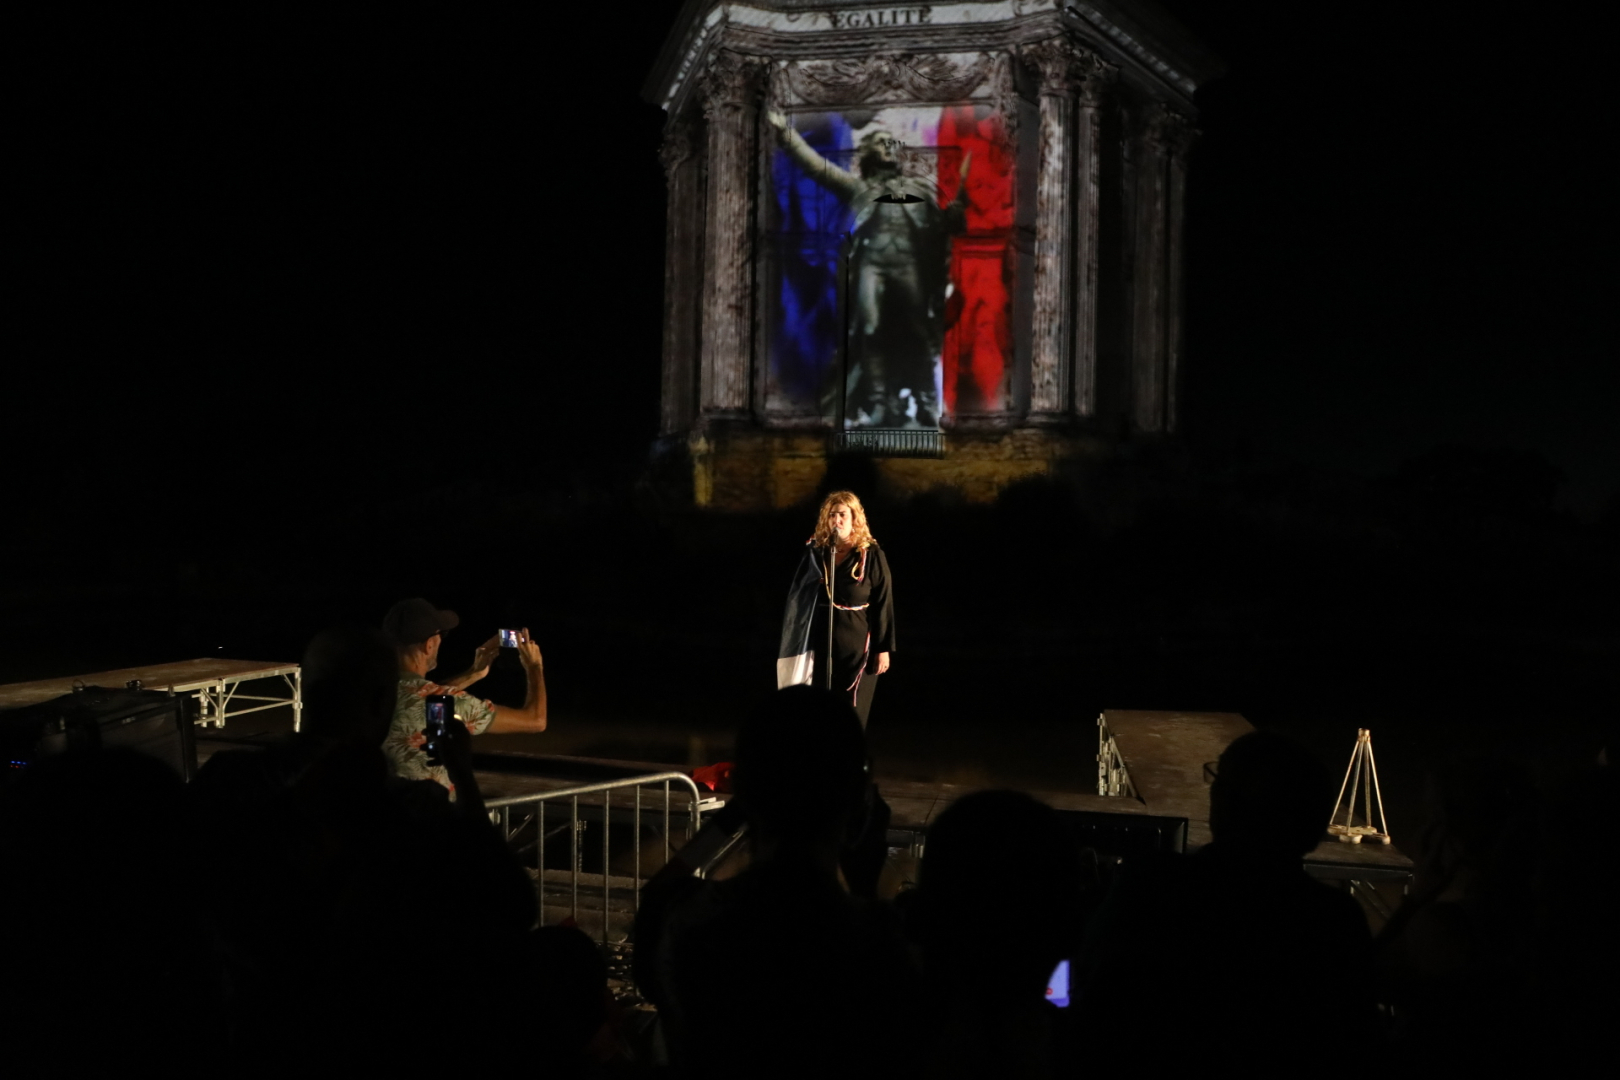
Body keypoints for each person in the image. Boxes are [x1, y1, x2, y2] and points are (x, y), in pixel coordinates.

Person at [633, 686, 924, 1076]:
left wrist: (735, 815)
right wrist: (866, 877)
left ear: (747, 791)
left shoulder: (689, 925)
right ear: (858, 800)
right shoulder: (885, 948)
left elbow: (657, 895)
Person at [767, 110, 969, 428]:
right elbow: (818, 168)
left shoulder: (919, 189)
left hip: (908, 267)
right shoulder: (859, 188)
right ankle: (878, 406)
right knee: (870, 330)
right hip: (872, 267)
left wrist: (955, 218)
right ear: (869, 154)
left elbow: (942, 229)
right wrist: (787, 135)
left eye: (891, 144)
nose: (888, 148)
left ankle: (928, 405)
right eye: (880, 144)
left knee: (918, 333)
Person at [380, 597, 547, 797]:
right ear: (429, 645)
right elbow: (535, 720)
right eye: (441, 635)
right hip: (429, 821)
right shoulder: (452, 703)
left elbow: (419, 697)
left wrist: (474, 673)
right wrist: (534, 666)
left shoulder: (368, 691)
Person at [777, 490, 895, 727]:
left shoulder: (870, 554)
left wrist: (883, 648)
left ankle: (850, 758)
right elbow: (800, 595)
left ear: (854, 519)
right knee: (822, 705)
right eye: (832, 515)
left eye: (842, 515)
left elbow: (884, 601)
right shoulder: (818, 552)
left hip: (858, 644)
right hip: (822, 640)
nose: (836, 521)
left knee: (851, 710)